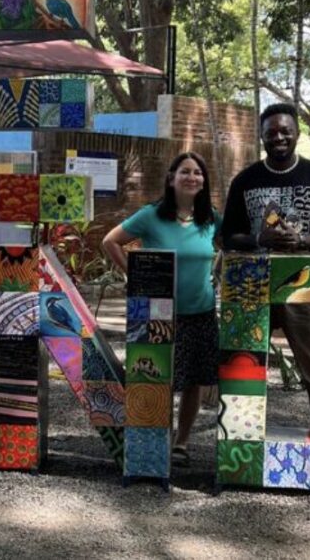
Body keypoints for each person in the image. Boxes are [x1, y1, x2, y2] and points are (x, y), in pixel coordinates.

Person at [218, 102, 310, 434]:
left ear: (297, 134)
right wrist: (259, 237)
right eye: (271, 132)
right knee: (243, 360)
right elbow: (226, 236)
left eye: (285, 131)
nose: (278, 137)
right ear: (261, 136)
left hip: (299, 281)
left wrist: (302, 239)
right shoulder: (245, 180)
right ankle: (240, 437)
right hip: (251, 283)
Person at [102, 152, 221, 467]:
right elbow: (110, 242)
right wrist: (135, 276)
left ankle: (182, 442)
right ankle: (156, 441)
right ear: (171, 178)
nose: (192, 177)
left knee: (194, 380)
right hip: (158, 313)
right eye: (185, 171)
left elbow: (231, 247)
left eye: (198, 172)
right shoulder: (151, 215)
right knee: (158, 379)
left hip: (201, 312)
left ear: (204, 180)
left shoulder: (210, 217)